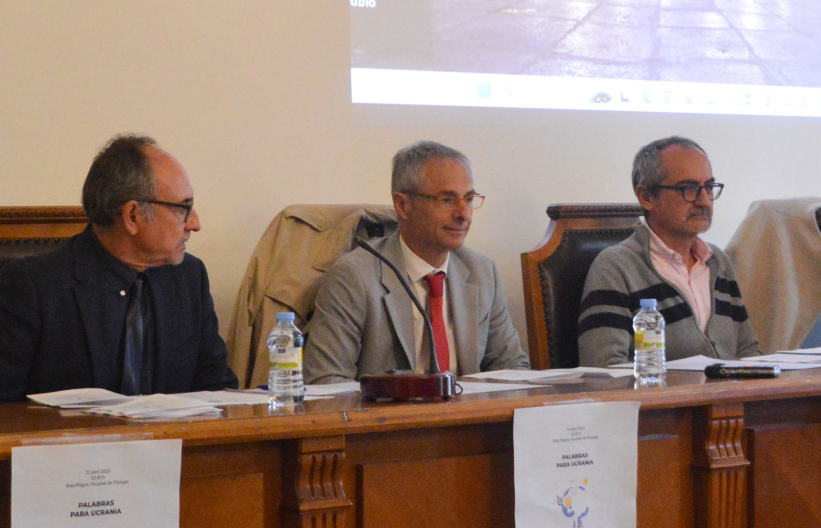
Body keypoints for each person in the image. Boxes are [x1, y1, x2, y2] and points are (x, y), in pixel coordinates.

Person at [0, 134, 236, 401]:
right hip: (69, 448)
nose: (194, 223)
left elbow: (217, 390)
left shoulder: (189, 278)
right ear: (132, 216)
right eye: (182, 208)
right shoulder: (35, 286)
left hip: (176, 447)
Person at [304, 141, 527, 383]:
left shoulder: (482, 272)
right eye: (447, 200)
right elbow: (325, 381)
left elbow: (512, 367)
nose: (464, 214)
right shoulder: (353, 276)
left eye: (469, 199)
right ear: (403, 205)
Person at [578, 136, 760, 364]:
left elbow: (748, 352)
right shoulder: (616, 267)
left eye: (709, 187)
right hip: (664, 399)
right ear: (646, 197)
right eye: (689, 189)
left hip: (727, 399)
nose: (704, 201)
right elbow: (604, 369)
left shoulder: (718, 261)